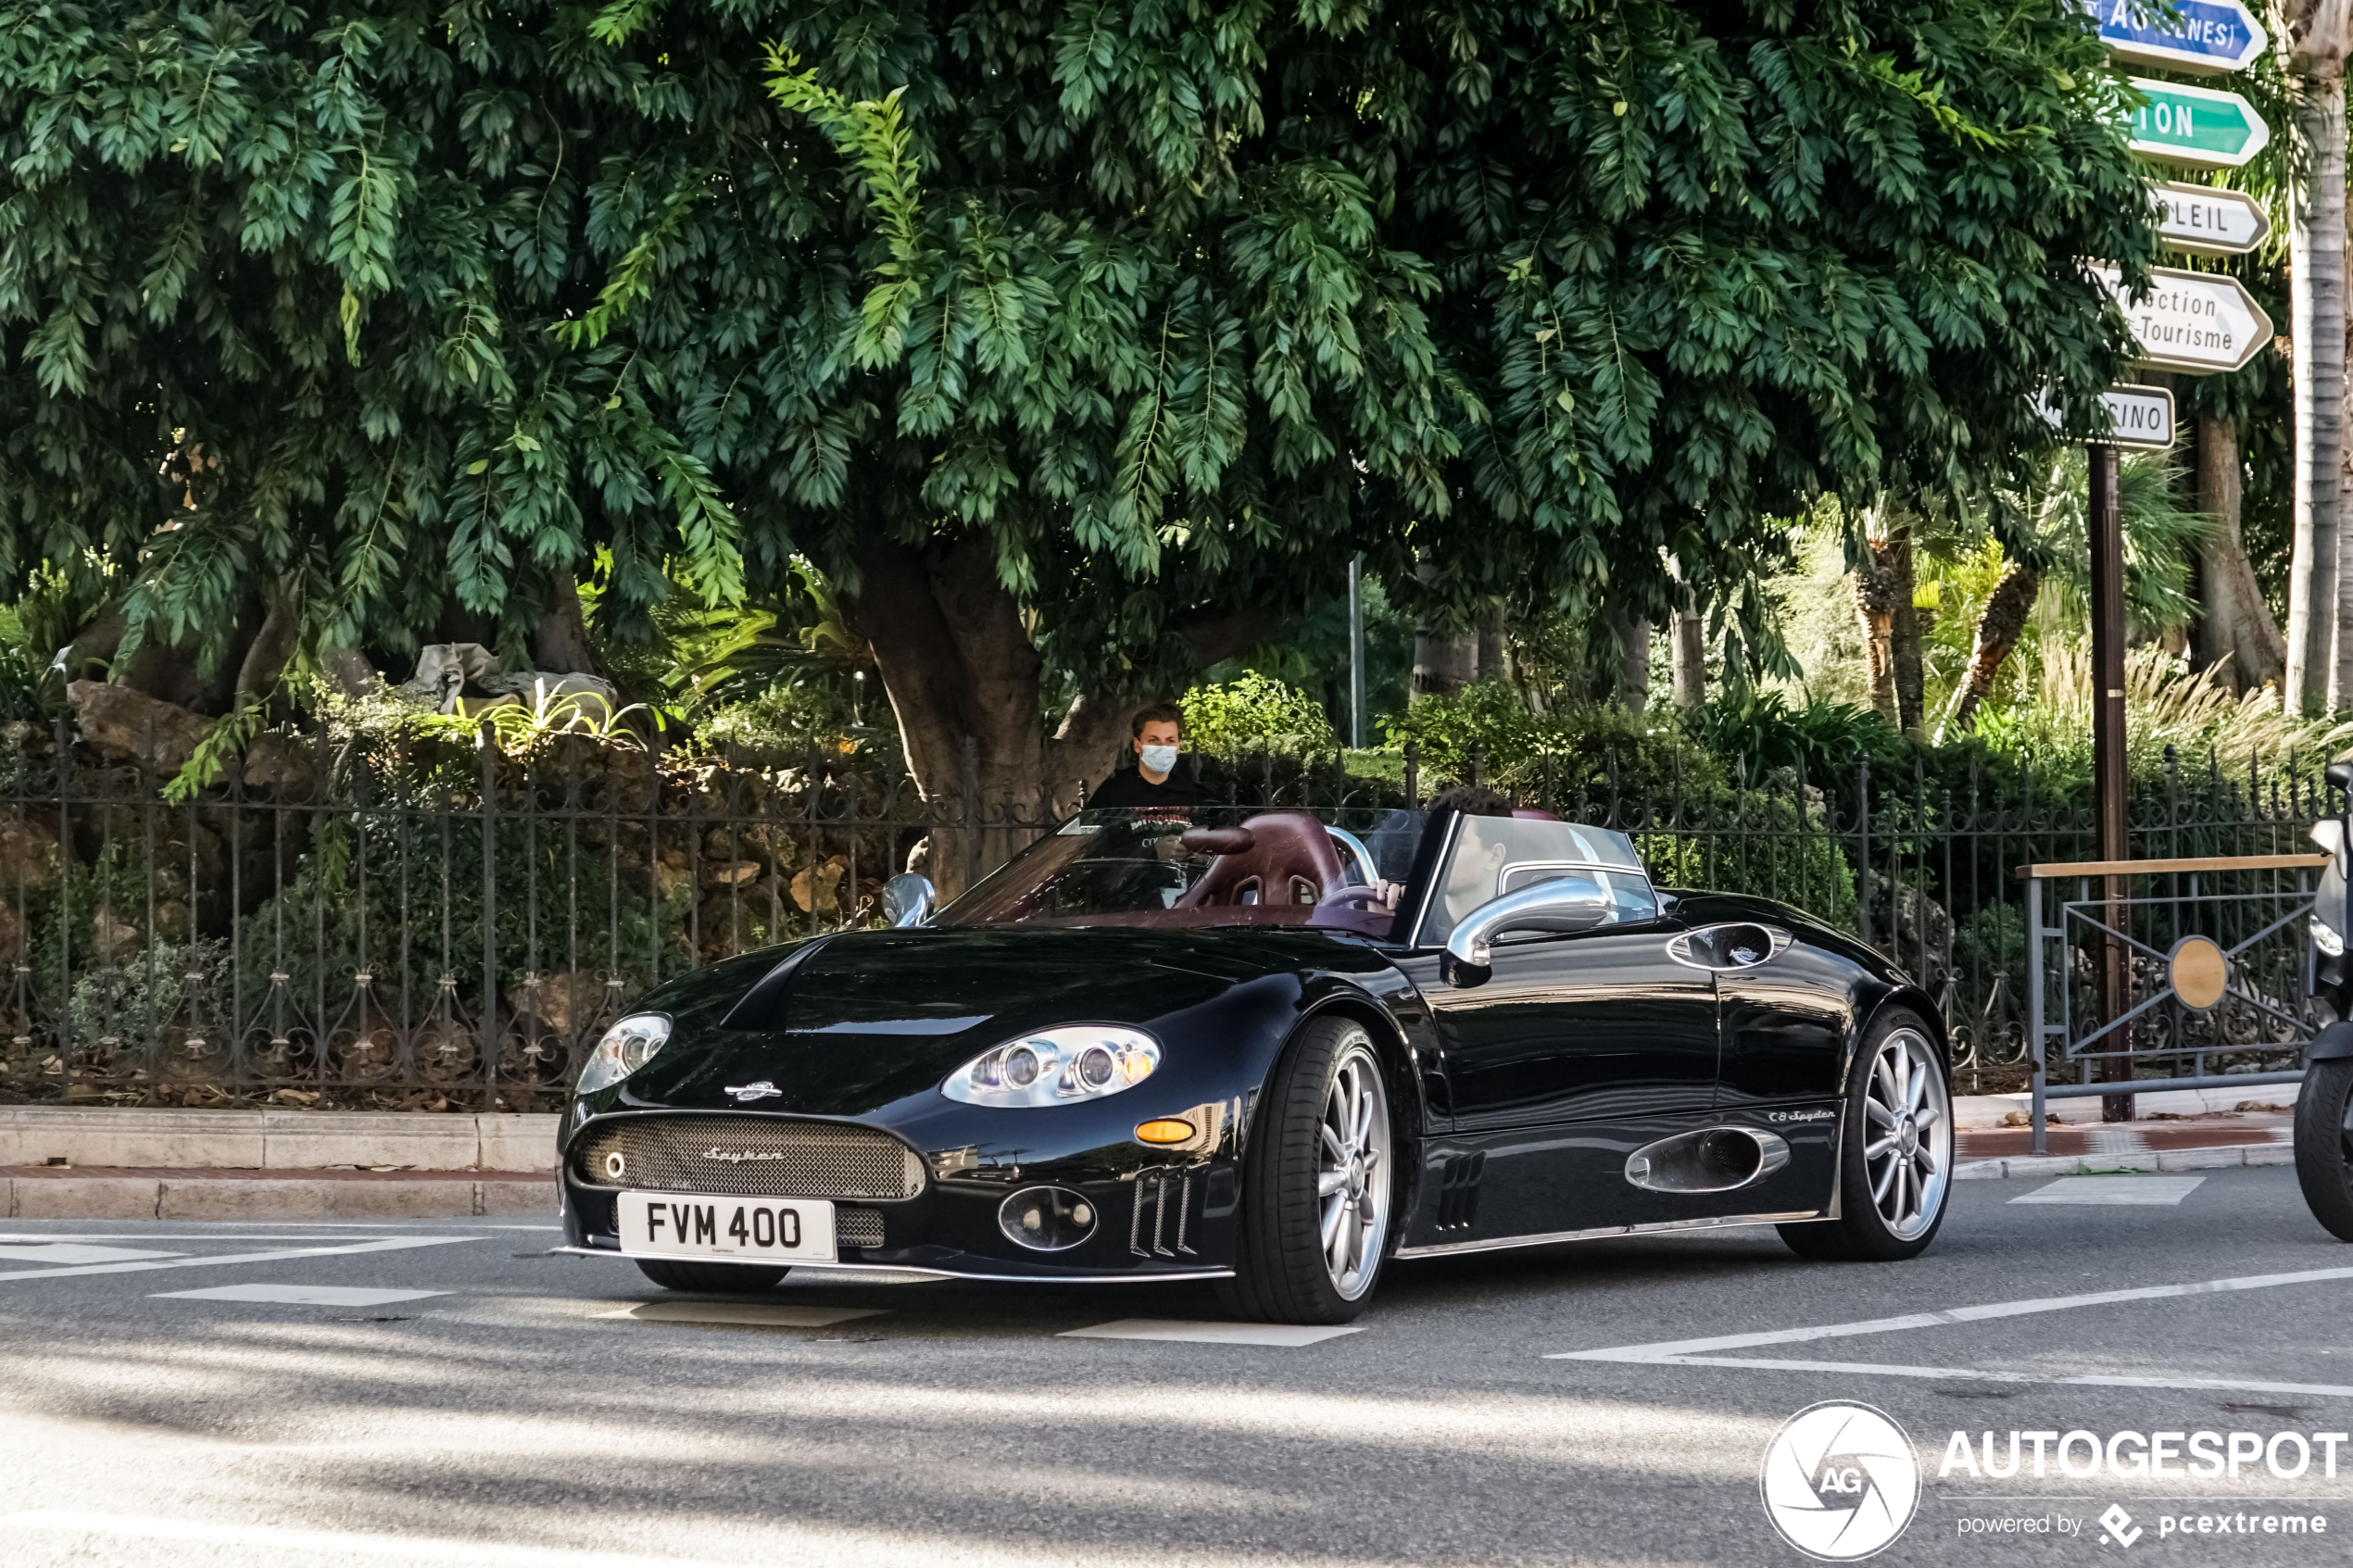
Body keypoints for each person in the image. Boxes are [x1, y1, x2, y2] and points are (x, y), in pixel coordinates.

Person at [1422, 784, 1516, 943]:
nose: (1437, 852)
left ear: (1494, 857)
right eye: (1435, 841)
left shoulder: (1521, 928)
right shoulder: (1415, 916)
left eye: (1455, 841)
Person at [1084, 703, 1205, 809]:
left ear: (1178, 747)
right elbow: (1088, 832)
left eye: (1170, 740)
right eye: (1154, 740)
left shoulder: (1191, 794)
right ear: (1137, 745)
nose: (1163, 747)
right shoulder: (1114, 790)